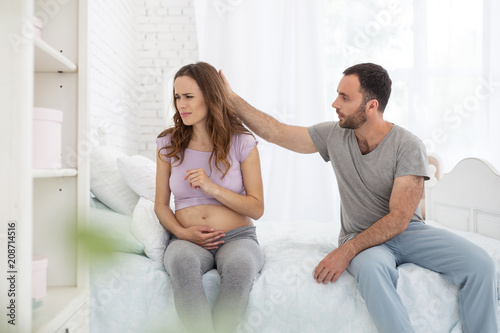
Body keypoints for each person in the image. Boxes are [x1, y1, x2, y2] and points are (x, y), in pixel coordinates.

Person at [218, 63, 498, 333]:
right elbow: (276, 132)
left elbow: (400, 219)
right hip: (361, 237)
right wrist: (231, 98)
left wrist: (345, 252)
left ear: (371, 105)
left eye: (344, 97)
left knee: (481, 265)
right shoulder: (334, 135)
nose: (334, 104)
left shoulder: (408, 145)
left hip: (407, 232)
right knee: (373, 272)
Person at [154, 62, 264, 333]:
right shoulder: (168, 144)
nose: (181, 105)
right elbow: (160, 205)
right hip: (187, 239)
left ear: (210, 96)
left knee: (240, 268)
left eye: (189, 96)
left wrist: (212, 187)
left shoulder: (241, 142)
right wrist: (182, 233)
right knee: (181, 263)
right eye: (177, 97)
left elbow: (257, 207)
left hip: (237, 237)